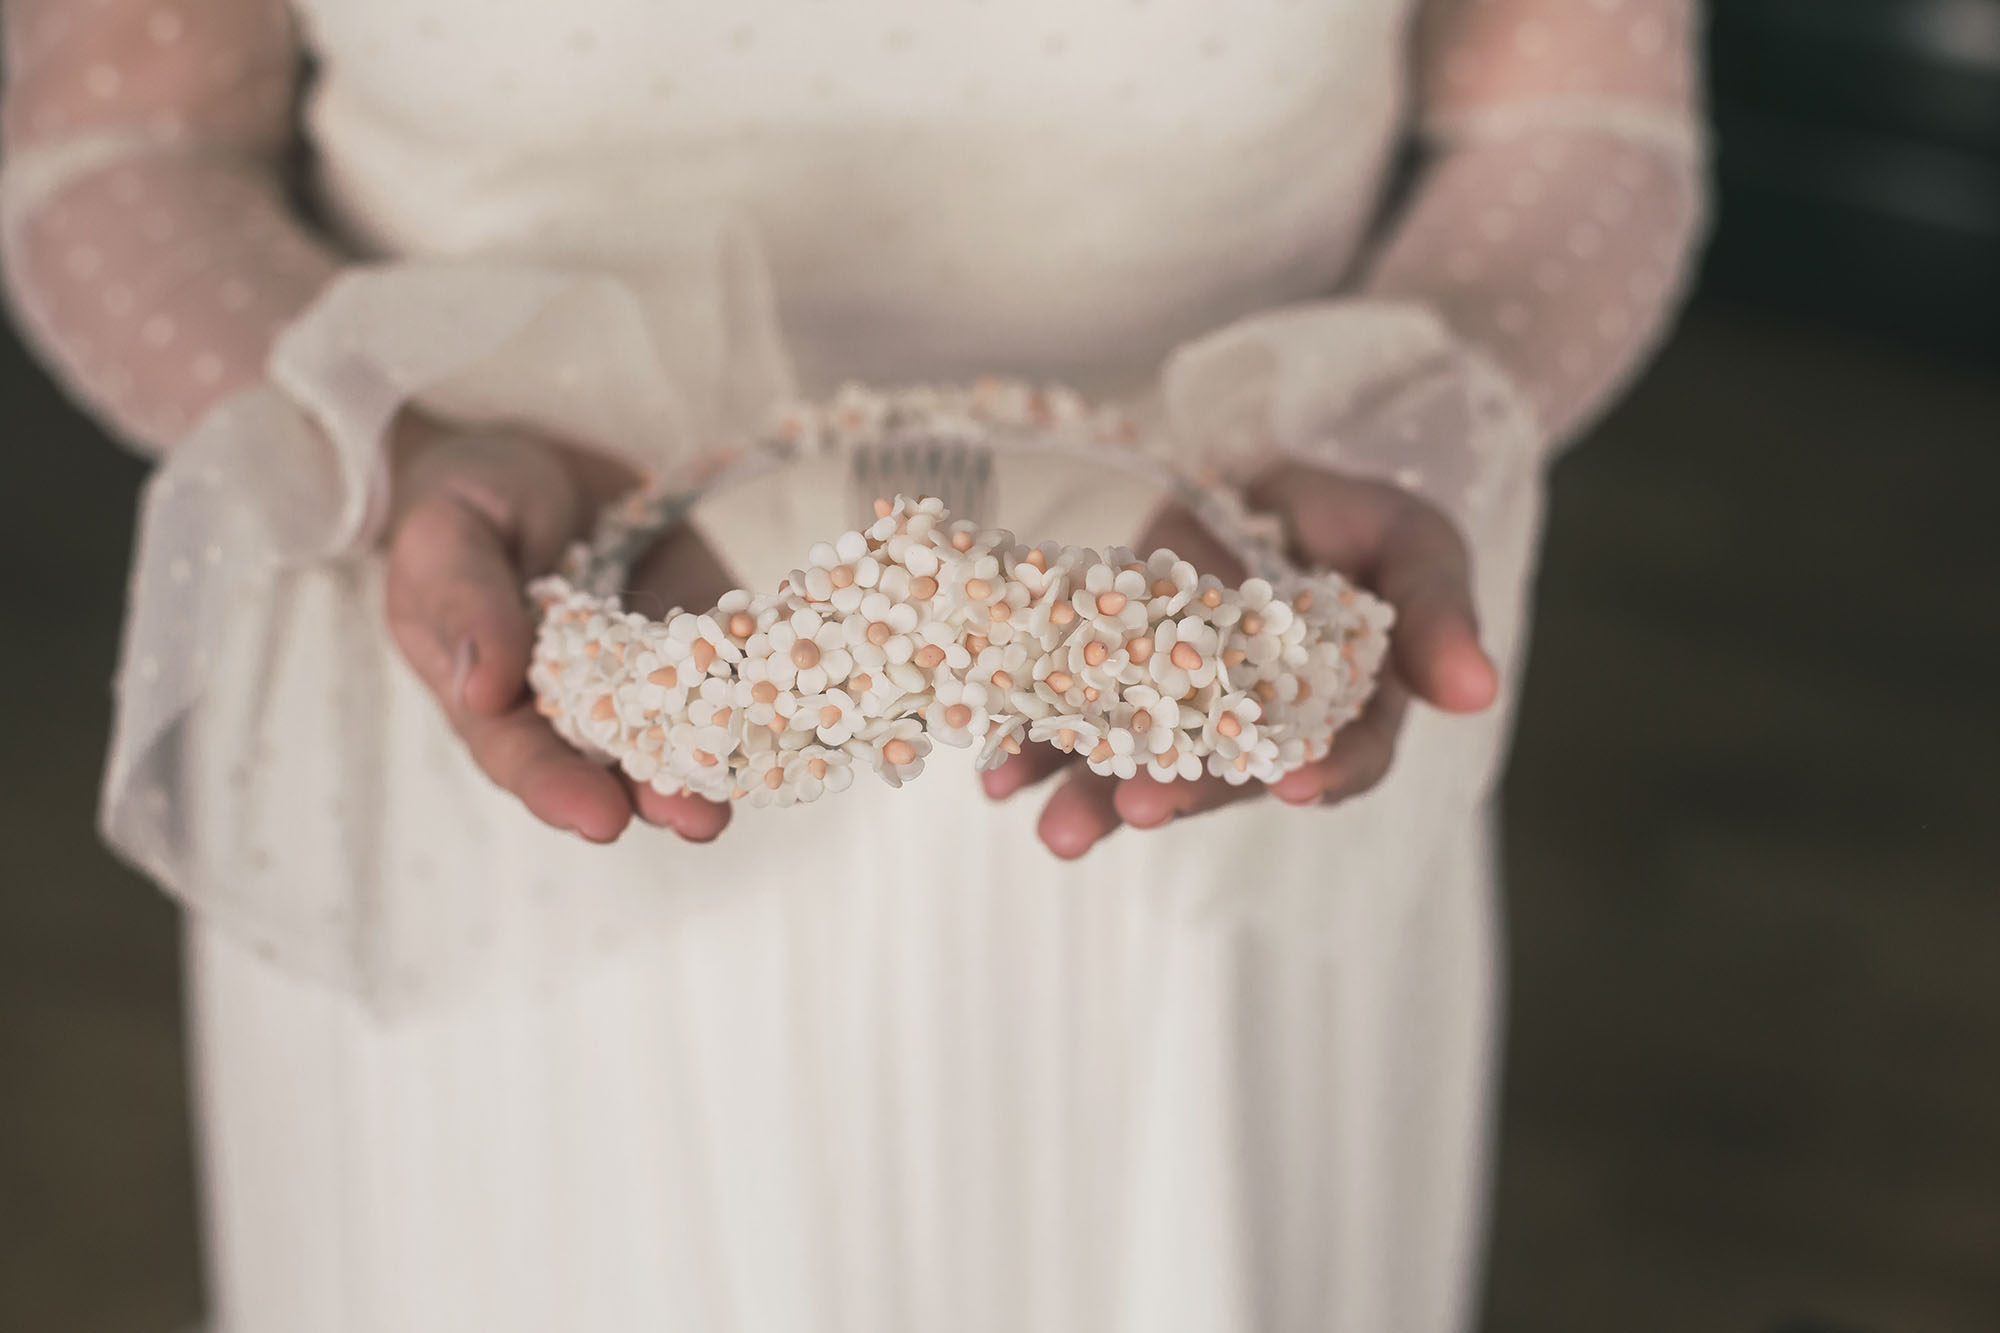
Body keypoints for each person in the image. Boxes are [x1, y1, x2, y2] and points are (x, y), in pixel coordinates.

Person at [0, 1, 1705, 1328]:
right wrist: (396, 449)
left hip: (1210, 750)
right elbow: (118, 146)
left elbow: (1576, 114)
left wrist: (1387, 436)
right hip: (498, 755)